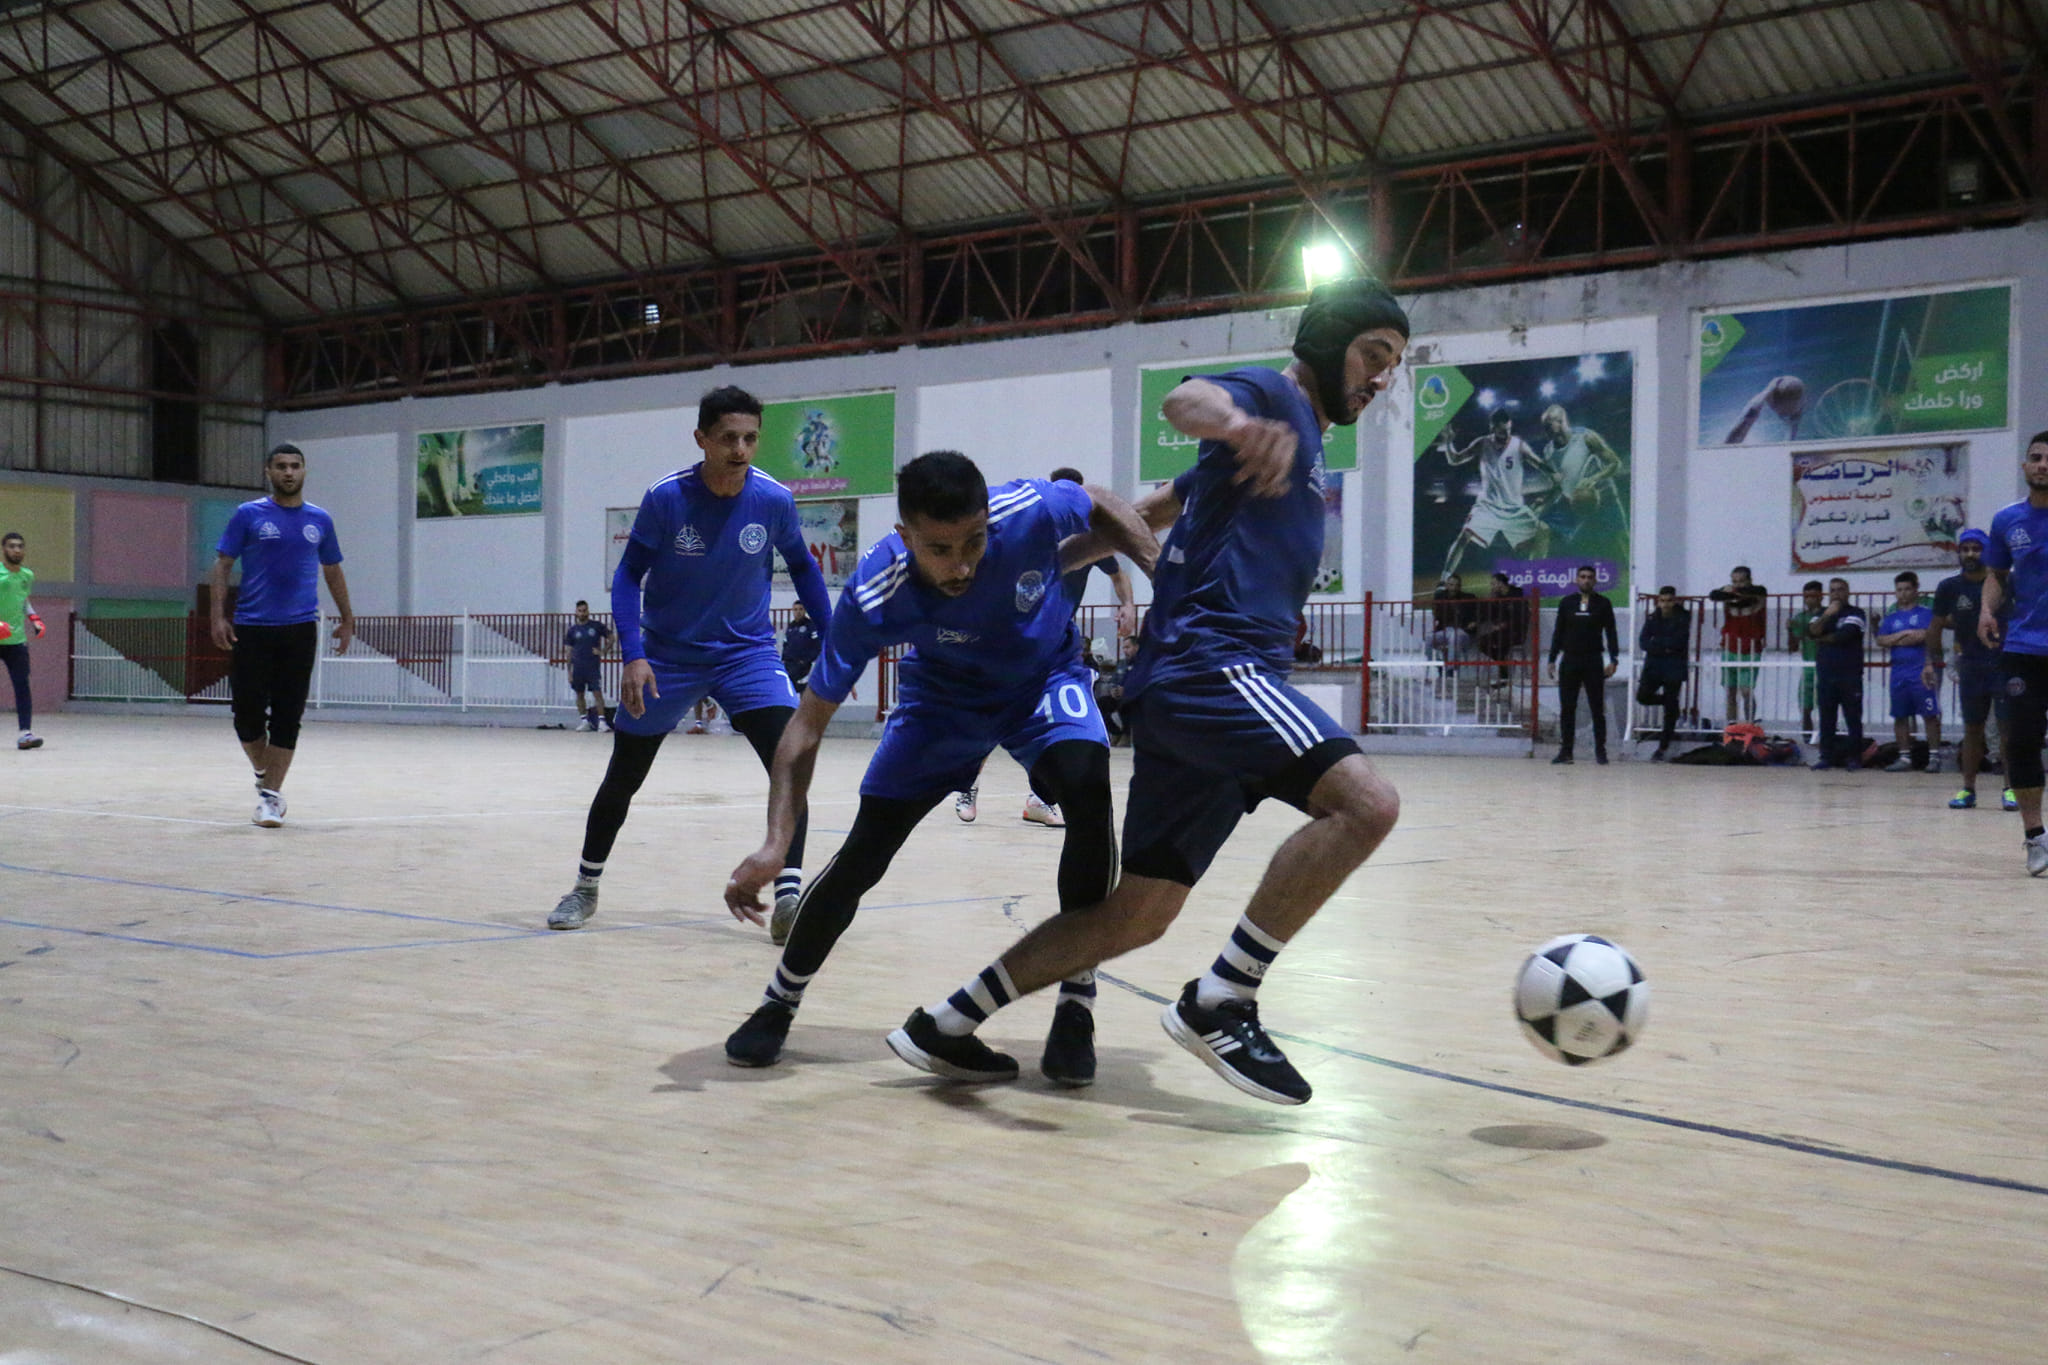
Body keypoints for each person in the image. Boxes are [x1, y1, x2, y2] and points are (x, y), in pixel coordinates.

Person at [869, 277, 1409, 1107]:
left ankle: (945, 1022)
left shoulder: (1302, 445)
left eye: (1394, 363)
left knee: (1140, 912)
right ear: (1330, 341)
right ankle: (1222, 999)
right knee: (1367, 806)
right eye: (1373, 353)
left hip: (1188, 687)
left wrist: (1049, 566)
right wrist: (1235, 422)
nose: (1381, 376)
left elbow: (1155, 506)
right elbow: (1185, 400)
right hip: (1213, 668)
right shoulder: (1274, 399)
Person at [719, 451, 1158, 1081]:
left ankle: (1076, 1004)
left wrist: (1163, 575)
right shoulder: (875, 591)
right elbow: (805, 727)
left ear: (988, 520)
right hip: (943, 702)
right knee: (865, 853)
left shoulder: (1026, 508)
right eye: (941, 549)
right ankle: (778, 1003)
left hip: (1043, 680)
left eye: (974, 542)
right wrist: (775, 842)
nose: (962, 565)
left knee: (1090, 793)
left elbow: (1101, 502)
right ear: (905, 537)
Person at [546, 386, 834, 945]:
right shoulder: (666, 498)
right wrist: (634, 655)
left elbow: (802, 567)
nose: (740, 449)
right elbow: (628, 576)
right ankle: (585, 886)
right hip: (668, 657)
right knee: (623, 777)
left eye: (750, 438)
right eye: (728, 438)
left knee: (790, 762)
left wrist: (835, 635)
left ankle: (789, 897)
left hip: (747, 655)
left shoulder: (774, 500)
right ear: (701, 439)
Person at [953, 466, 1134, 828]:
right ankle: (967, 783)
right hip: (1012, 635)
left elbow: (1118, 573)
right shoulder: (1031, 529)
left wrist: (1127, 604)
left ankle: (1040, 798)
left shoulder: (1089, 536)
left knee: (1064, 725)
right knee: (995, 712)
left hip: (1057, 641)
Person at [210, 444, 354, 827]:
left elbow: (333, 570)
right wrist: (217, 616)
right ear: (268, 472)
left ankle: (270, 799)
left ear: (304, 471)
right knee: (246, 717)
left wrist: (347, 618)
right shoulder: (248, 515)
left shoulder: (320, 520)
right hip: (252, 628)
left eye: (295, 466)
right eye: (281, 466)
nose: (288, 472)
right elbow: (222, 565)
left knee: (288, 716)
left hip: (299, 630)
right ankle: (265, 773)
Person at [1979, 430, 2048, 874]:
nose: (2043, 464)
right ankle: (2036, 838)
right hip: (2024, 649)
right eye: (2036, 457)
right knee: (2021, 741)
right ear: (2025, 466)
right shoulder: (2007, 520)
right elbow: (1996, 575)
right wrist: (1987, 610)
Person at [1929, 529, 2015, 810]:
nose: (1970, 554)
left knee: (2006, 729)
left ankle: (2010, 789)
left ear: (1987, 552)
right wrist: (1929, 662)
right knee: (1972, 729)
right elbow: (1935, 626)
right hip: (1971, 666)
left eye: (1976, 549)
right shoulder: (1949, 587)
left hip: (2005, 664)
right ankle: (1968, 789)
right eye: (1964, 549)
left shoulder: (2007, 583)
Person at [1438, 409, 1554, 581]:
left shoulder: (1518, 445)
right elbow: (1454, 460)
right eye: (1501, 431)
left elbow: (1538, 463)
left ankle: (1533, 578)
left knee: (1543, 532)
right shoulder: (1482, 443)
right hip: (1488, 506)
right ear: (1492, 428)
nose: (1506, 434)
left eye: (1508, 430)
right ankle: (1444, 580)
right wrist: (1448, 442)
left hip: (1514, 507)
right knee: (1464, 537)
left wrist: (1554, 473)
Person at [1547, 565, 1619, 764]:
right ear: (1577, 580)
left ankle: (1601, 751)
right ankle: (1566, 751)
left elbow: (1611, 632)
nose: (1586, 580)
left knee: (1597, 707)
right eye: (1583, 577)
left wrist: (1614, 659)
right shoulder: (1567, 602)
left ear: (1595, 581)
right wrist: (1552, 659)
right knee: (1567, 708)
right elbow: (1558, 632)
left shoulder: (1603, 603)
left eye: (1590, 577)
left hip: (1593, 660)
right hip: (1570, 659)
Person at [1875, 571, 1941, 772]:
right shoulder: (1891, 617)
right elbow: (1881, 640)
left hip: (1921, 671)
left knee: (1929, 714)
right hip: (1898, 672)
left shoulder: (1925, 613)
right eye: (1899, 590)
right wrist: (1904, 634)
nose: (1903, 593)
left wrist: (1897, 638)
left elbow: (1925, 636)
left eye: (1907, 589)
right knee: (1900, 715)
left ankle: (1934, 757)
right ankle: (1904, 757)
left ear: (1915, 590)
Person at [1538, 403, 1628, 542]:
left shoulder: (1586, 437)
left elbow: (1615, 463)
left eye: (1548, 425)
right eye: (1544, 426)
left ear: (1561, 422)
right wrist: (1544, 501)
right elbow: (1558, 484)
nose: (1545, 430)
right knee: (1542, 530)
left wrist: (1594, 478)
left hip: (1604, 497)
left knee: (1622, 538)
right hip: (1573, 503)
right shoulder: (1548, 452)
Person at [1807, 577, 1868, 770]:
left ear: (1848, 592)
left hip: (1849, 675)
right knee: (1826, 718)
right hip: (1826, 674)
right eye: (1832, 590)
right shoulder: (1820, 614)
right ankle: (1826, 757)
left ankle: (1854, 758)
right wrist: (1826, 616)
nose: (1836, 593)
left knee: (1852, 718)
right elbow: (1812, 631)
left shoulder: (1856, 613)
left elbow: (1844, 636)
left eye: (1840, 589)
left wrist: (1821, 638)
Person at [0, 531, 46, 750]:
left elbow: (23, 600)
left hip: (16, 641)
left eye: (20, 546)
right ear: (4, 549)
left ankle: (25, 734)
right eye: (11, 546)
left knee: (22, 686)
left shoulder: (27, 575)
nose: (16, 550)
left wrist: (34, 618)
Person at [1708, 566, 1769, 725]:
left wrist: (1733, 591)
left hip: (1751, 648)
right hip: (1730, 647)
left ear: (1749, 580)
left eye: (1741, 581)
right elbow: (1713, 595)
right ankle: (1732, 726)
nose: (1738, 585)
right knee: (1730, 691)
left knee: (1747, 691)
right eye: (1734, 581)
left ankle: (1750, 724)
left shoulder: (1758, 594)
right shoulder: (1728, 596)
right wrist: (1727, 591)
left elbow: (1759, 591)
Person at [1636, 585, 1690, 760]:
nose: (1665, 604)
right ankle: (1670, 703)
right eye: (1662, 601)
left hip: (1673, 667)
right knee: (1643, 696)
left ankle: (1663, 746)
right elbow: (1643, 641)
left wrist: (1657, 644)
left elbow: (1679, 641)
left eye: (1669, 601)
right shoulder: (1653, 618)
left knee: (1669, 710)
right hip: (1654, 666)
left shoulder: (1683, 617)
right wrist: (1663, 646)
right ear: (1658, 602)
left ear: (1675, 601)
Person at [1472, 570, 1531, 689]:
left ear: (1500, 583)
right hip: (1502, 632)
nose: (1492, 586)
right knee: (1483, 642)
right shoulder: (1498, 598)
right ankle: (1504, 669)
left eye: (1493, 584)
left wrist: (1505, 625)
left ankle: (1504, 675)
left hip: (1516, 631)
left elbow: (1522, 617)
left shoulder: (1517, 595)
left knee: (1499, 644)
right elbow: (1490, 615)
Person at [562, 599, 612, 731]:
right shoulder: (572, 631)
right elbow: (568, 652)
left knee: (597, 693)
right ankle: (584, 721)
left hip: (592, 667)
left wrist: (603, 651)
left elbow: (612, 637)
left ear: (588, 611)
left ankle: (602, 722)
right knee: (579, 694)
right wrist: (569, 672)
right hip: (578, 668)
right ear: (576, 612)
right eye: (580, 611)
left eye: (584, 610)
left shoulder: (596, 626)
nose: (582, 613)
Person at [1787, 580, 1825, 737]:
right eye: (1806, 597)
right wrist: (1790, 630)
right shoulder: (1800, 617)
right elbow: (1793, 647)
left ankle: (1827, 735)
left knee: (1826, 705)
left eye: (1813, 596)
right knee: (1805, 706)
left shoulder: (1827, 614)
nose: (1809, 600)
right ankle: (1807, 736)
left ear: (1821, 596)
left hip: (1826, 666)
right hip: (1808, 666)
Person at [1429, 572, 1478, 660]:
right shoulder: (1440, 597)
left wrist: (1474, 622)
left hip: (1462, 631)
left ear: (1460, 587)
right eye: (1451, 585)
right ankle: (1436, 664)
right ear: (1446, 586)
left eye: (1457, 585)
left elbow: (1480, 612)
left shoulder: (1469, 598)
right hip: (1445, 631)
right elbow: (1436, 613)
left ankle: (1451, 666)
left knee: (1454, 637)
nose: (1454, 588)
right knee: (1428, 638)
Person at [780, 600, 821, 690]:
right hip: (789, 664)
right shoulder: (791, 626)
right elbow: (785, 644)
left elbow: (817, 646)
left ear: (805, 611)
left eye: (800, 609)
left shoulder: (811, 626)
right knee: (788, 687)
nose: (798, 612)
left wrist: (806, 660)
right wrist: (783, 659)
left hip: (803, 665)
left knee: (803, 688)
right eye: (795, 609)